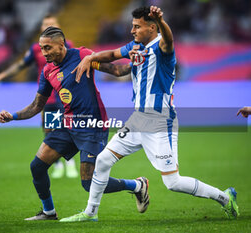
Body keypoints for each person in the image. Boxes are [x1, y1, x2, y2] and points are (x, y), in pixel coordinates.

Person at [60, 6, 239, 222]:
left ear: (152, 28)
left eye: (137, 26)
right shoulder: (137, 46)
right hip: (138, 120)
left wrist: (162, 21)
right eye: (132, 26)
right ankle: (90, 213)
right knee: (103, 160)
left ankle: (225, 198)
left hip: (160, 121)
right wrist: (90, 58)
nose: (132, 30)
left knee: (172, 183)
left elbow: (169, 40)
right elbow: (113, 54)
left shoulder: (163, 48)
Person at [0, 26, 148, 221]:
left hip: (92, 125)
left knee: (88, 184)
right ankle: (49, 212)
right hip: (67, 125)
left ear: (61, 45)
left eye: (48, 48)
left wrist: (137, 64)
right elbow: (37, 105)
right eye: (42, 48)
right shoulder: (47, 70)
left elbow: (117, 70)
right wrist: (13, 116)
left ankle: (137, 185)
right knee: (37, 166)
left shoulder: (83, 55)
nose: (44, 53)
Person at [0, 15, 78, 179]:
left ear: (58, 27)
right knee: (49, 130)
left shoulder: (68, 46)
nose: (47, 26)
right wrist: (0, 77)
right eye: (45, 24)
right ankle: (57, 165)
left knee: (66, 129)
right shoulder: (37, 48)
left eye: (51, 24)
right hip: (46, 97)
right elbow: (21, 65)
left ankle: (70, 163)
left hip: (64, 96)